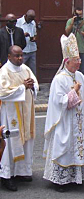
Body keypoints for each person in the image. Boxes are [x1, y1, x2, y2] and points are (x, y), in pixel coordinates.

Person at [43, 33, 84, 192]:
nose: (80, 62)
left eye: (80, 59)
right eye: (76, 60)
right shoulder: (59, 79)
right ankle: (60, 181)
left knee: (77, 147)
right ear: (67, 61)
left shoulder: (80, 75)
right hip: (65, 122)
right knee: (65, 149)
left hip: (78, 123)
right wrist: (74, 92)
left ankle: (75, 178)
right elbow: (58, 102)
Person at [0, 45, 38, 191]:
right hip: (11, 115)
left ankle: (21, 172)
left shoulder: (26, 69)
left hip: (26, 112)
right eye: (17, 56)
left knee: (27, 141)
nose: (20, 58)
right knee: (10, 144)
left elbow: (35, 84)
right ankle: (6, 176)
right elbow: (2, 93)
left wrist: (32, 87)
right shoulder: (4, 72)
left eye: (21, 55)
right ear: (9, 56)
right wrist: (23, 87)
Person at [65, 7, 84, 78]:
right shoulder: (70, 21)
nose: (79, 16)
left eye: (81, 15)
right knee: (72, 68)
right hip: (72, 50)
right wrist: (72, 23)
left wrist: (79, 30)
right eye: (78, 15)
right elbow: (67, 32)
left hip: (82, 49)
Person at [16, 9, 37, 75]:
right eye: (30, 18)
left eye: (32, 19)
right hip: (23, 50)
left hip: (32, 49)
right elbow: (15, 35)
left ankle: (34, 83)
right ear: (26, 15)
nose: (31, 20)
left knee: (33, 69)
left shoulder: (33, 22)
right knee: (20, 68)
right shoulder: (18, 22)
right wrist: (23, 35)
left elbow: (35, 33)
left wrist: (34, 38)